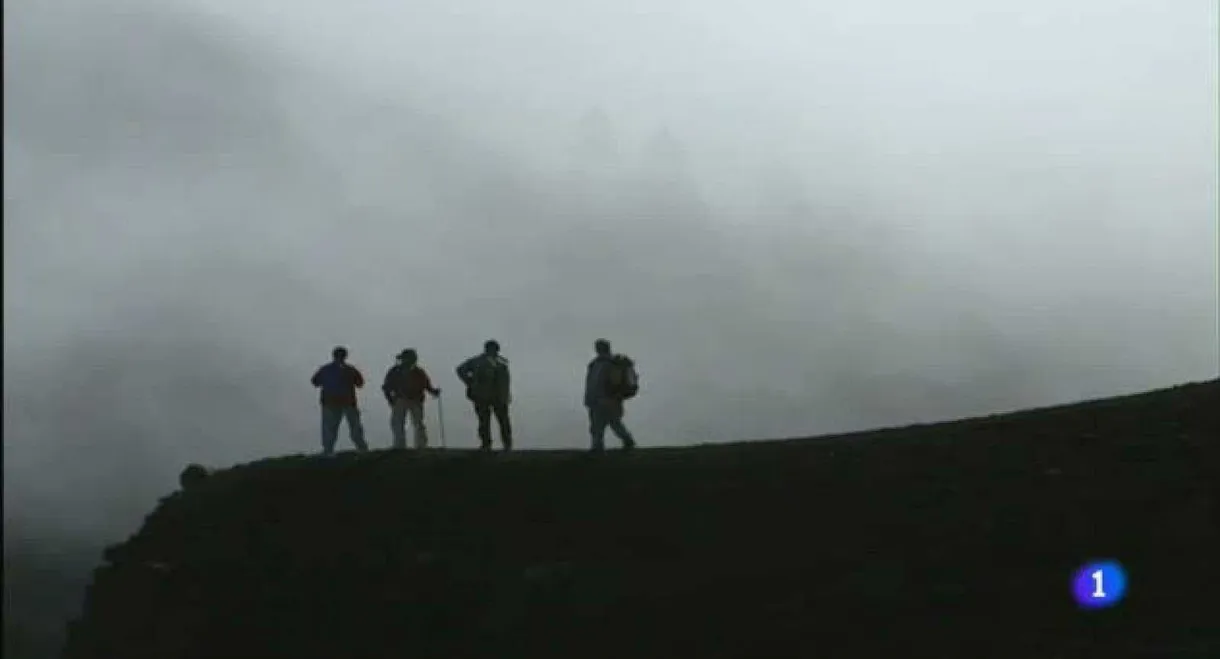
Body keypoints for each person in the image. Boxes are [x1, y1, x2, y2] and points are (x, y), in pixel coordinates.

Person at [455, 339, 513, 451]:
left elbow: (505, 381)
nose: (494, 351)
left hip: (499, 396)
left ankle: (507, 444)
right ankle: (486, 444)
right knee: (484, 421)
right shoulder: (477, 361)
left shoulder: (502, 362)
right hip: (481, 395)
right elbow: (460, 369)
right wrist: (470, 382)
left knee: (503, 421)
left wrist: (506, 394)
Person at [310, 346, 368, 455]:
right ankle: (362, 449)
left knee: (330, 428)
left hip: (331, 402)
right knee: (354, 427)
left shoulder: (326, 369)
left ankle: (328, 451)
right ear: (345, 356)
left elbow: (315, 382)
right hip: (347, 402)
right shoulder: (350, 369)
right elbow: (360, 383)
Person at [584, 338, 637, 452]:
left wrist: (590, 399)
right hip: (602, 400)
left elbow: (594, 383)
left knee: (606, 424)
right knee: (607, 424)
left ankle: (600, 446)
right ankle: (599, 446)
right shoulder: (597, 364)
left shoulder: (607, 364)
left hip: (606, 400)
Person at [382, 348, 441, 449]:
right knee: (404, 423)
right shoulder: (414, 371)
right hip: (405, 399)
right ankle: (404, 445)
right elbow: (387, 386)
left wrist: (390, 399)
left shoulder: (400, 370)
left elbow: (426, 385)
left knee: (412, 423)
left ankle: (411, 445)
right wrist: (390, 399)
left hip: (411, 400)